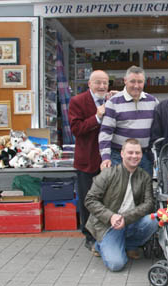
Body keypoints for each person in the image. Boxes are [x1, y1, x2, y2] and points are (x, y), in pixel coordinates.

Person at [85, 138, 158, 272]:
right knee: (116, 264)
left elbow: (149, 204)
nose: (134, 156)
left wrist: (125, 218)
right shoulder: (108, 174)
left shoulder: (144, 177)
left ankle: (129, 245)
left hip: (130, 221)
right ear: (122, 154)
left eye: (138, 153)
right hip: (108, 225)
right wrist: (111, 216)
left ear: (142, 155)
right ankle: (100, 245)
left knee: (153, 220)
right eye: (130, 152)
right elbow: (90, 200)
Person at [68, 69, 110, 256]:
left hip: (108, 160)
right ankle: (89, 237)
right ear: (89, 84)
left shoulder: (111, 100)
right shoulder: (77, 101)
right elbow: (76, 129)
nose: (102, 86)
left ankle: (106, 234)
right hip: (87, 160)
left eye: (105, 83)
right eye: (98, 83)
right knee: (88, 200)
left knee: (107, 199)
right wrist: (97, 117)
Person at [99, 66, 159, 176]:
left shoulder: (153, 102)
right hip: (119, 158)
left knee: (144, 192)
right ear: (125, 81)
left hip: (144, 157)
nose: (136, 85)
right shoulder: (113, 102)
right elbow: (106, 133)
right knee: (120, 192)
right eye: (132, 81)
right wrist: (105, 157)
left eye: (140, 82)